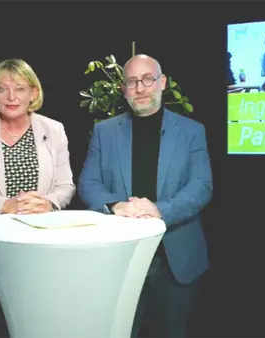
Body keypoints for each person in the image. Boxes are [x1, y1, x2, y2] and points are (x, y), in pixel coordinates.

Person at [77, 54, 212, 338]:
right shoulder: (104, 132)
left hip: (175, 259)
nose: (140, 88)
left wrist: (160, 210)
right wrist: (115, 205)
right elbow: (89, 183)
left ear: (162, 82)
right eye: (132, 82)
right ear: (124, 89)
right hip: (119, 259)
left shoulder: (191, 131)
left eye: (148, 79)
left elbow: (201, 186)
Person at [0, 58, 75, 338]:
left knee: (35, 325)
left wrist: (49, 202)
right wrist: (4, 205)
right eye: (2, 89)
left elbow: (65, 185)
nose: (11, 96)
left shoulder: (53, 130)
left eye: (19, 89)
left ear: (33, 92)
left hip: (36, 244)